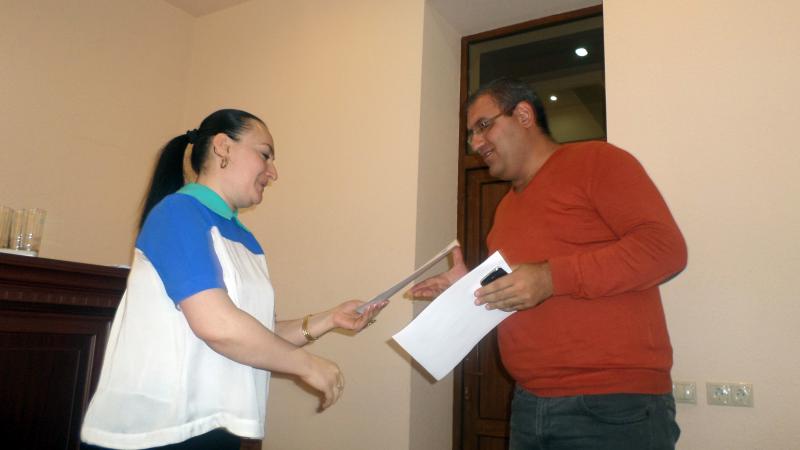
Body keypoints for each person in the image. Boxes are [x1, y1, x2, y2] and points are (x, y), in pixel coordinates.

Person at [80, 109, 385, 450]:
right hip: (154, 431)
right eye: (265, 154)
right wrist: (307, 366)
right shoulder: (178, 213)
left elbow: (256, 334)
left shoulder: (244, 238)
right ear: (223, 146)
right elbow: (217, 325)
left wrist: (330, 319)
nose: (273, 172)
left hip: (215, 427)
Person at [410, 78, 687, 450]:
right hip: (528, 402)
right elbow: (520, 289)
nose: (476, 143)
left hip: (612, 404)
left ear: (524, 115)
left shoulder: (596, 160)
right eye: (471, 134)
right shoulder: (506, 208)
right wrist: (467, 289)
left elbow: (665, 249)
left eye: (483, 126)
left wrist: (551, 277)